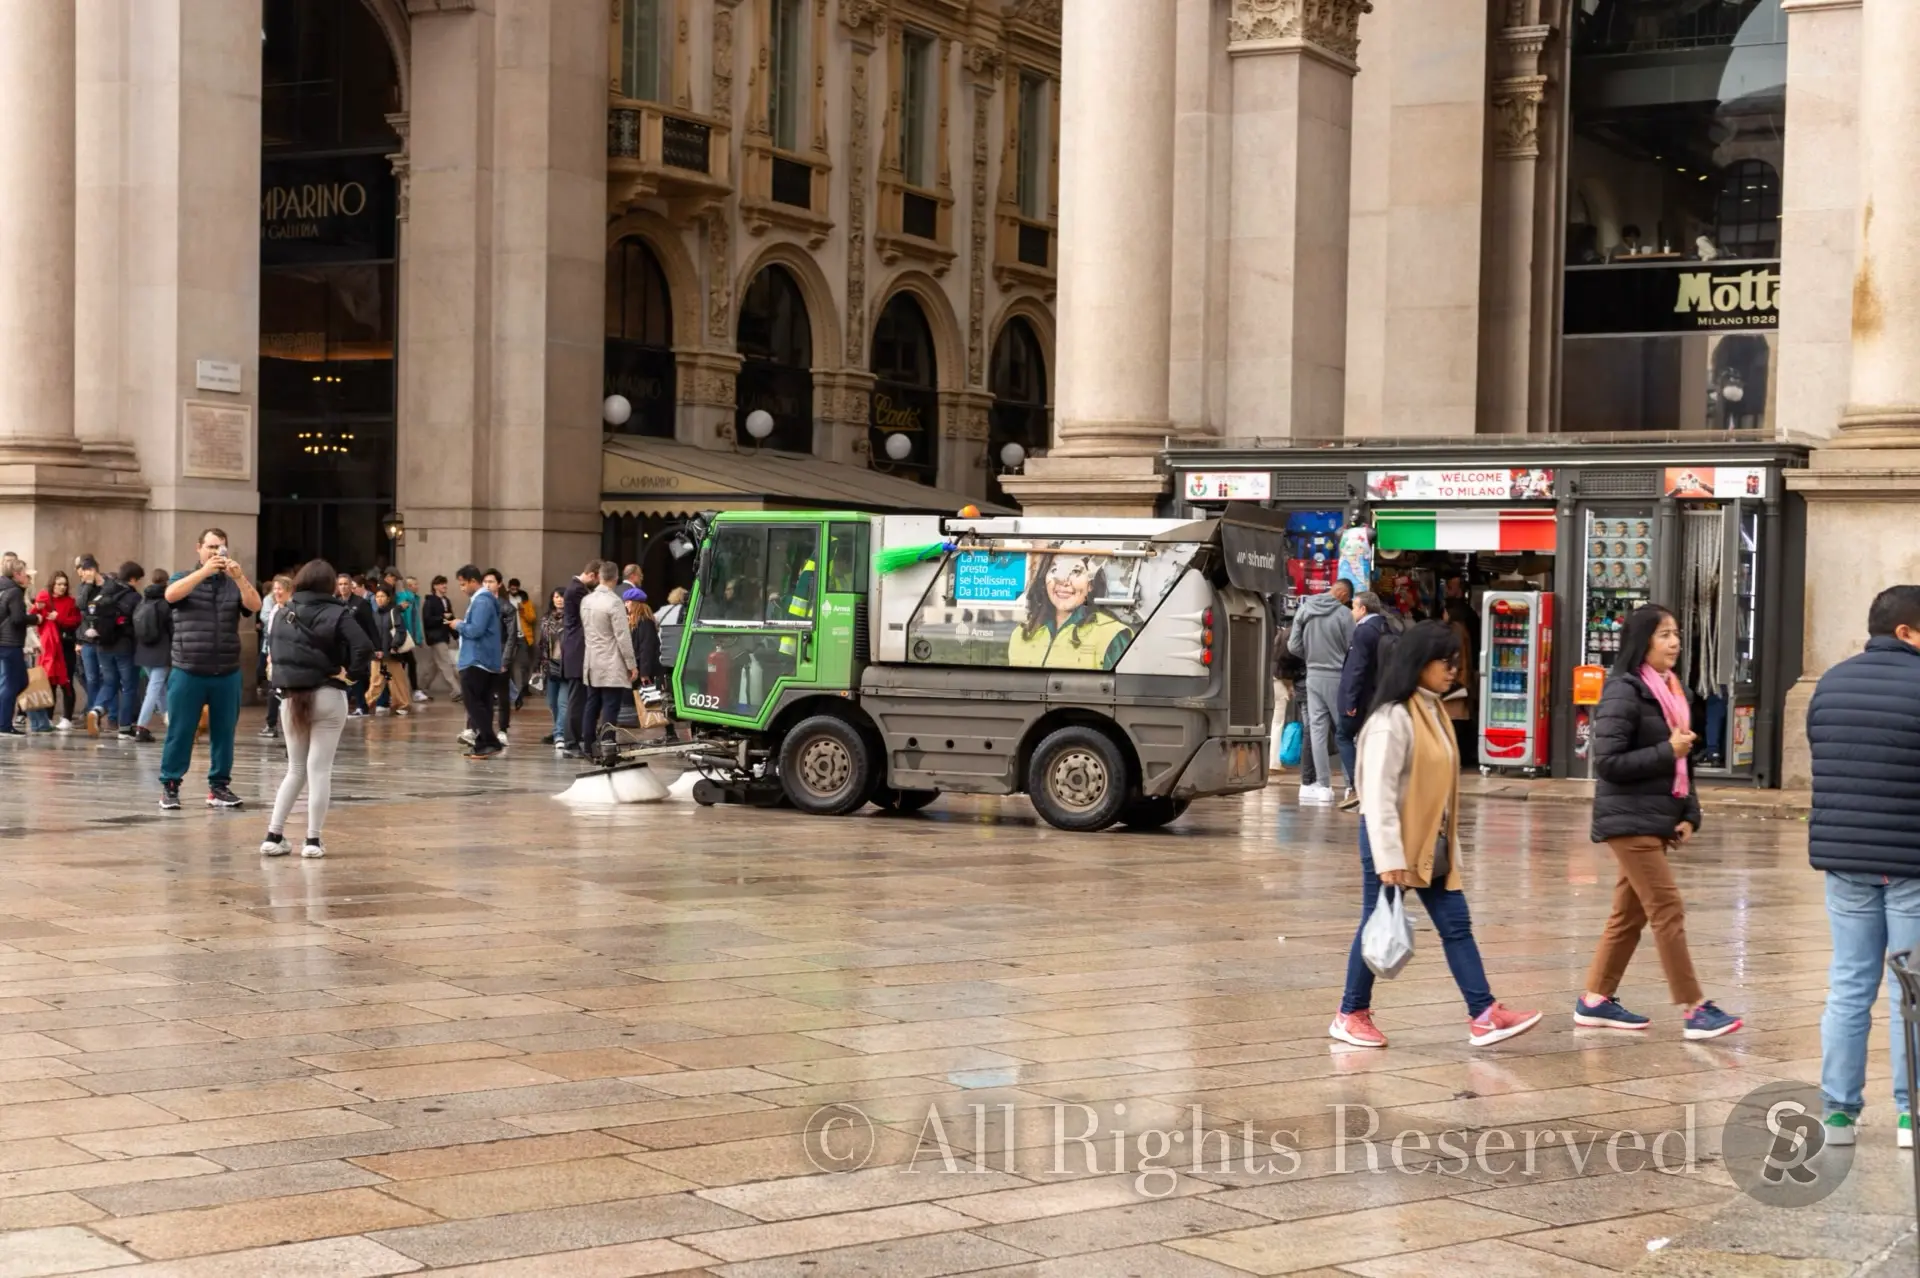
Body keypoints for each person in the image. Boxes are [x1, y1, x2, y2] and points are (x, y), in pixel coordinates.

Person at [1329, 621, 1542, 1049]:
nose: (1452, 671)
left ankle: (1483, 1014)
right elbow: (1379, 796)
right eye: (1445, 662)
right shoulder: (1392, 719)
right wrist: (1390, 859)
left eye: (1456, 662)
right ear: (1418, 663)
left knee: (1456, 924)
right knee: (1377, 922)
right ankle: (1350, 1013)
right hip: (1390, 842)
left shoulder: (1432, 709)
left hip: (1430, 842)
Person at [1578, 604, 1740, 1041]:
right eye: (1664, 634)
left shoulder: (1673, 690)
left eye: (1676, 634)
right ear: (1642, 640)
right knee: (1667, 908)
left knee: (1628, 915)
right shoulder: (1623, 691)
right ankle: (1694, 1008)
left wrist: (1689, 812)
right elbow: (1608, 762)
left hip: (1655, 816)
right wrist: (1668, 751)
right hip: (1627, 819)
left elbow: (1681, 761)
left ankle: (1595, 999)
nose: (1674, 643)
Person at [1808, 584, 1920, 1148]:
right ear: (1905, 631)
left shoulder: (1829, 683)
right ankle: (1910, 1116)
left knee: (1850, 984)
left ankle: (1839, 1115)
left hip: (1846, 858)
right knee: (1913, 989)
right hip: (1911, 861)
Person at [262, 559, 374, 859]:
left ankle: (274, 835)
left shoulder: (281, 612)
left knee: (295, 769)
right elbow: (364, 646)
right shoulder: (338, 613)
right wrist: (350, 674)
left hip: (291, 697)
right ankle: (312, 840)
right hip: (327, 693)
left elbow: (275, 654)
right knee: (319, 769)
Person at [159, 529, 261, 811]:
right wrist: (204, 572)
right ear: (199, 548)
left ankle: (219, 787)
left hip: (226, 670)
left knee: (224, 731)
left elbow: (254, 605)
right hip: (188, 668)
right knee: (181, 730)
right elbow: (170, 596)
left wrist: (239, 578)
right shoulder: (183, 577)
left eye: (221, 548)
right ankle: (170, 785)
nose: (217, 553)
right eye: (211, 547)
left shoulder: (232, 583)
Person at [1288, 579, 1355, 805]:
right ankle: (1350, 786)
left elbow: (1292, 646)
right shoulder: (1344, 615)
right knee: (1344, 731)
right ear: (1343, 594)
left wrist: (1311, 657)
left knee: (1317, 730)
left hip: (1312, 677)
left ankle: (1323, 787)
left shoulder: (1306, 608)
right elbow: (1351, 647)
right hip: (1337, 676)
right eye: (1348, 599)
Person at [1007, 553, 1133, 670]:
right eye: (1055, 570)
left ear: (1091, 584)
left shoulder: (1112, 634)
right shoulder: (1021, 634)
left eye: (1075, 571)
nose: (1062, 580)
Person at [1336, 591, 1397, 811]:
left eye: (1354, 607)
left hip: (1360, 699)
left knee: (1342, 735)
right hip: (1376, 697)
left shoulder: (1363, 632)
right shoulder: (1385, 627)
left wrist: (1349, 701)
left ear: (1363, 609)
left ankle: (1357, 785)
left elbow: (1356, 669)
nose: (1352, 611)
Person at [579, 561, 638, 749]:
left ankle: (587, 743)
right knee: (611, 707)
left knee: (591, 705)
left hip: (591, 660)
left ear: (599, 576)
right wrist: (631, 664)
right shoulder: (614, 602)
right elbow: (622, 636)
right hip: (611, 661)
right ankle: (607, 743)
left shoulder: (586, 601)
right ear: (616, 578)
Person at [450, 564, 504, 759]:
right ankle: (484, 743)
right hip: (484, 660)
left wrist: (458, 625)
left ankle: (490, 740)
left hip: (476, 659)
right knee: (483, 703)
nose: (462, 588)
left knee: (473, 702)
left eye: (463, 584)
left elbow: (476, 630)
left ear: (473, 581)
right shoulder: (485, 600)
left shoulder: (481, 601)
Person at [84, 562, 143, 737]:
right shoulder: (134, 597)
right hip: (124, 646)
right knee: (128, 686)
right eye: (138, 579)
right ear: (132, 579)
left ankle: (96, 710)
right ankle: (125, 727)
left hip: (102, 644)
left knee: (109, 682)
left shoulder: (105, 592)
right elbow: (138, 623)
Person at [28, 571, 82, 731]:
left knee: (66, 682)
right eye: (59, 584)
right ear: (53, 584)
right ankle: (49, 717)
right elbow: (32, 616)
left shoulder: (71, 602)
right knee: (49, 682)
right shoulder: (44, 599)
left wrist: (58, 618)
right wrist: (37, 608)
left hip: (65, 645)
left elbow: (76, 621)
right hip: (49, 647)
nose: (62, 587)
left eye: (65, 584)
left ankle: (66, 717)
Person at [131, 568, 173, 743]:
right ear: (166, 582)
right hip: (161, 652)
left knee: (158, 688)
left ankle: (170, 721)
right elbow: (172, 629)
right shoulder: (165, 603)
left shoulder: (143, 600)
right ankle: (141, 727)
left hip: (143, 652)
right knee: (153, 690)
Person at [561, 562, 597, 757]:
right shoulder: (577, 590)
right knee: (576, 700)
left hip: (577, 651)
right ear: (591, 575)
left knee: (579, 699)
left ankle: (575, 740)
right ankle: (571, 743)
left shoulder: (576, 588)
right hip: (577, 652)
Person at [335, 573, 377, 716]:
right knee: (342, 674)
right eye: (340, 584)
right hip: (341, 646)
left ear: (351, 586)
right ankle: (344, 706)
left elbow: (370, 625)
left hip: (357, 645)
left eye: (346, 584)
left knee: (356, 674)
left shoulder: (360, 603)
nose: (343, 587)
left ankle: (361, 706)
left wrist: (376, 646)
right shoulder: (335, 602)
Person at [482, 569, 518, 732]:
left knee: (503, 696)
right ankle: (482, 728)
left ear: (499, 584)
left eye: (491, 582)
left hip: (500, 653)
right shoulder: (479, 603)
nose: (487, 585)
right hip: (483, 655)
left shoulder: (506, 607)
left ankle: (503, 728)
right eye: (485, 582)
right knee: (483, 695)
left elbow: (511, 637)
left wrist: (505, 660)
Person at [370, 585, 414, 716]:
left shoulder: (394, 612)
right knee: (375, 681)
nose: (379, 599)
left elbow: (400, 631)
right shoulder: (374, 614)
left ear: (388, 598)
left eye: (382, 596)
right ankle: (367, 704)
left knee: (397, 681)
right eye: (377, 596)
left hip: (392, 653)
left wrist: (395, 646)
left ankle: (403, 705)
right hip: (378, 653)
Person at [257, 576, 291, 739]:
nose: (277, 592)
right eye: (275, 589)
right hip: (275, 655)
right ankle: (271, 724)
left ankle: (289, 727)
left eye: (280, 588)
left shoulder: (293, 609)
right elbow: (270, 633)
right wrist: (270, 652)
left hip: (289, 657)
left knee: (286, 693)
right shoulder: (275, 610)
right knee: (273, 690)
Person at [0, 555, 30, 735]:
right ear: (17, 574)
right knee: (15, 683)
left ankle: (3, 721)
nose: (27, 577)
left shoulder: (3, 589)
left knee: (12, 682)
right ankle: (3, 724)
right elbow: (18, 619)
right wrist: (36, 618)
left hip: (4, 642)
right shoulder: (14, 592)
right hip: (10, 643)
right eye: (25, 573)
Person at [538, 586, 569, 748]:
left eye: (561, 596)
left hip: (566, 665)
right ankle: (560, 728)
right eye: (556, 596)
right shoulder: (546, 619)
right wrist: (540, 665)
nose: (558, 599)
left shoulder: (572, 617)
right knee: (552, 702)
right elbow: (542, 643)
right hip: (550, 665)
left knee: (563, 702)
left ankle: (559, 734)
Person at [419, 575, 459, 700]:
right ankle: (457, 690)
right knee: (446, 663)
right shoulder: (430, 602)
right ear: (435, 586)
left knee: (434, 666)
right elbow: (427, 620)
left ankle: (421, 689)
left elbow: (451, 619)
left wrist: (456, 635)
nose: (444, 586)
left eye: (445, 583)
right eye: (442, 584)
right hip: (436, 637)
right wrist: (442, 617)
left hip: (443, 636)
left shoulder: (446, 601)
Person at [72, 555, 101, 720]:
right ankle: (92, 712)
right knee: (90, 677)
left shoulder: (104, 585)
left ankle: (105, 712)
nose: (82, 575)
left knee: (106, 678)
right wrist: (88, 584)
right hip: (86, 640)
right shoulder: (84, 587)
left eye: (84, 571)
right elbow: (81, 605)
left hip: (103, 639)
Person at [397, 575, 426, 703]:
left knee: (405, 665)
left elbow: (416, 622)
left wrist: (417, 638)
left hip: (408, 638)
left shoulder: (414, 600)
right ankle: (411, 691)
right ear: (409, 586)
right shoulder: (405, 600)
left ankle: (408, 691)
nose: (417, 586)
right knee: (407, 664)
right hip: (404, 638)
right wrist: (410, 637)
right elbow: (408, 621)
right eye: (415, 584)